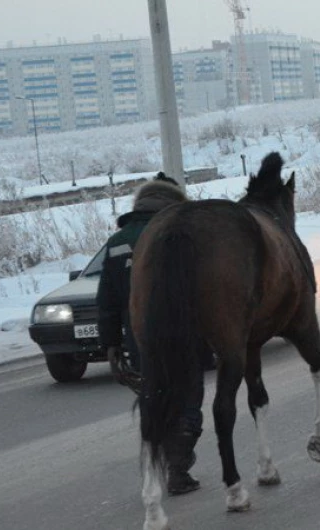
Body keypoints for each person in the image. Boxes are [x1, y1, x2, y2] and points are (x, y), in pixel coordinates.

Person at [96, 173, 203, 496]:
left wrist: (111, 345)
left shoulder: (116, 244)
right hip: (184, 335)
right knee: (187, 397)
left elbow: (107, 301)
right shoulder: (181, 233)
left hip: (139, 338)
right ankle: (178, 467)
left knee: (154, 397)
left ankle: (157, 463)